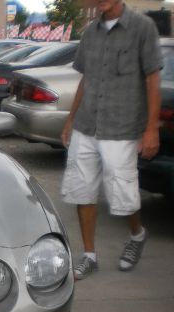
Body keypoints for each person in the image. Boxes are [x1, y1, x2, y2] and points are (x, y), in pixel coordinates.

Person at [60, 0, 163, 280]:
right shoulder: (90, 33)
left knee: (122, 193)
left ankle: (137, 234)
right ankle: (89, 255)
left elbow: (153, 80)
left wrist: (151, 128)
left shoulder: (143, 28)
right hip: (86, 123)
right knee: (82, 189)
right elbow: (85, 79)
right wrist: (70, 119)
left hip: (122, 127)